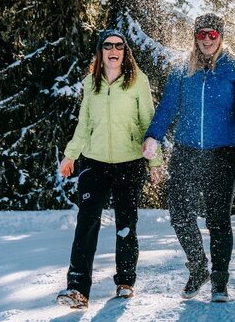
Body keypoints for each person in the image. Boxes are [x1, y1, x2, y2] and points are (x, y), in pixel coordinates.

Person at [142, 13, 235, 303]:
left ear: (221, 36)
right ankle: (198, 268)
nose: (207, 40)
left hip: (223, 153)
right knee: (180, 214)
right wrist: (153, 136)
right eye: (201, 34)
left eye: (212, 34)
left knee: (218, 219)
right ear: (194, 37)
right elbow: (167, 108)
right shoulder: (182, 69)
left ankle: (219, 281)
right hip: (186, 151)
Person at [55, 30, 163, 309]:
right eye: (108, 45)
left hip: (129, 162)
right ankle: (77, 288)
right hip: (94, 161)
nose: (113, 50)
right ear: (100, 51)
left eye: (119, 45)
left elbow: (148, 124)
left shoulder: (138, 81)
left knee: (125, 222)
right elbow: (83, 123)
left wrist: (154, 161)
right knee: (87, 220)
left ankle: (125, 281)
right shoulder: (91, 84)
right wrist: (70, 155)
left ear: (125, 52)